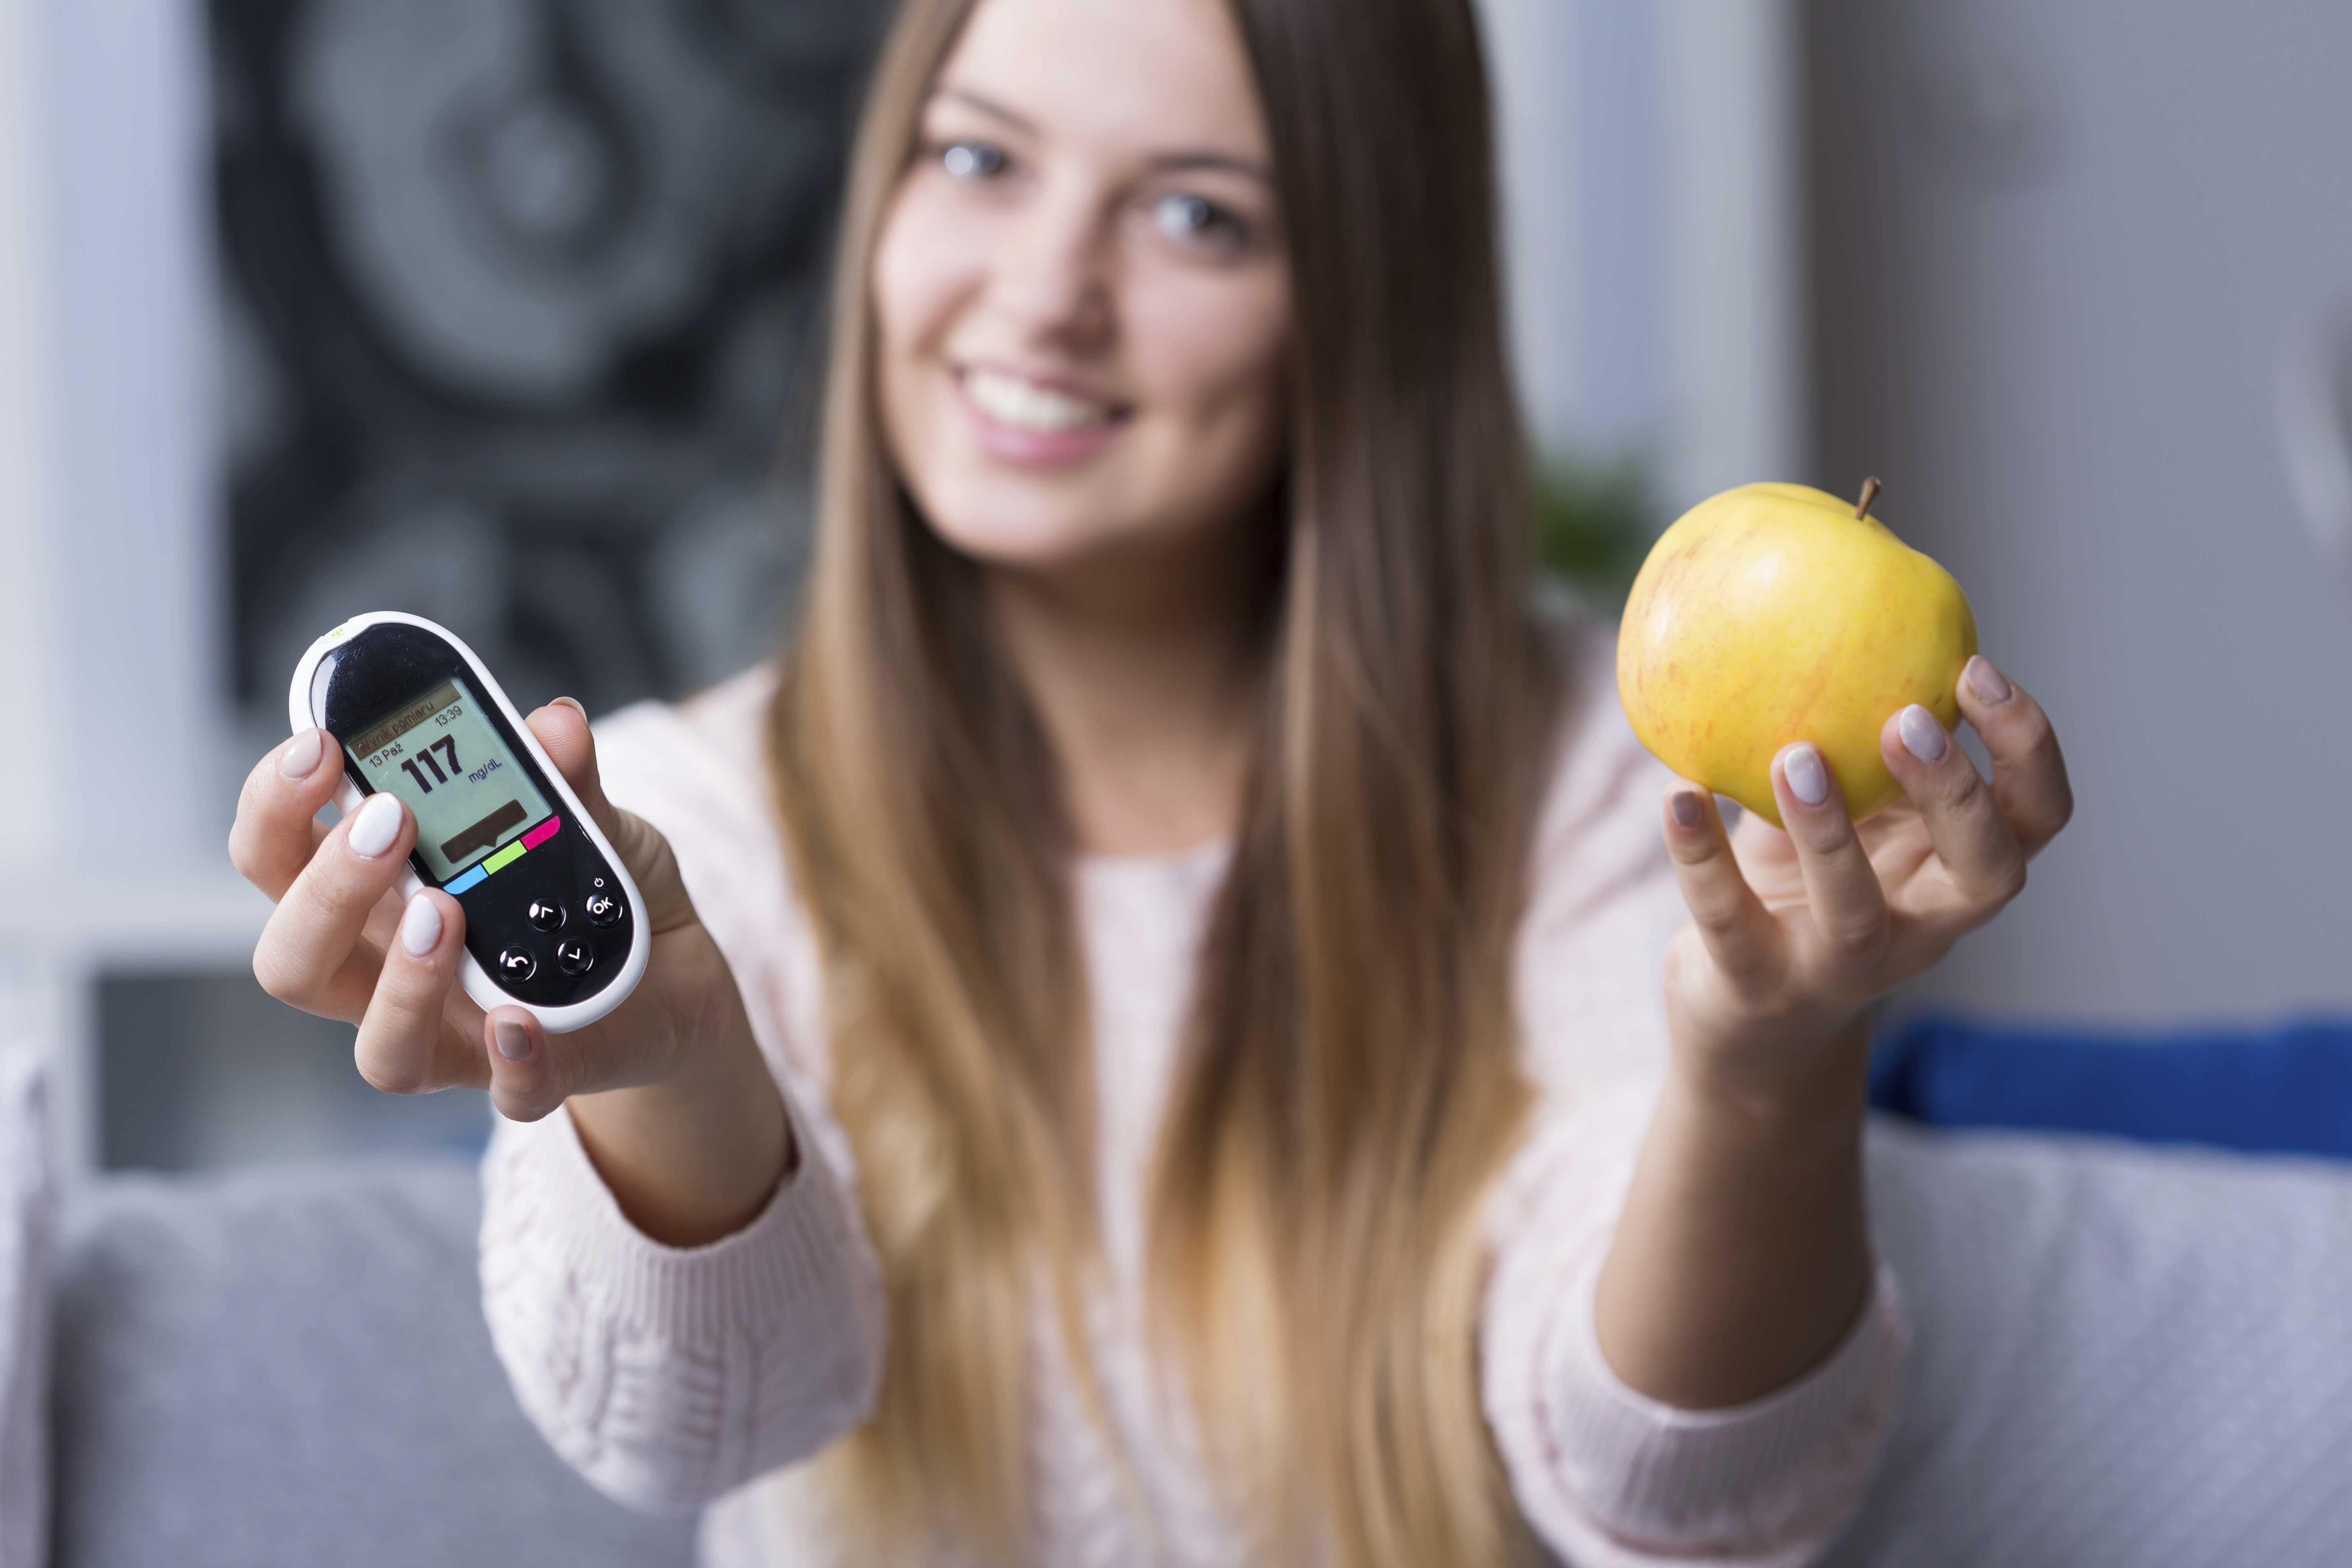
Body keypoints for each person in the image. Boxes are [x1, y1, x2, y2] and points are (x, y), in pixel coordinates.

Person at [229, 0, 2072, 1562]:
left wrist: (1764, 1060)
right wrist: (668, 1052)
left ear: (1366, 298)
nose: (1040, 297)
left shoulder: (1600, 785)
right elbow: (701, 1430)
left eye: (1195, 217)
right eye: (977, 160)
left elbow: (1696, 1499)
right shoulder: (670, 820)